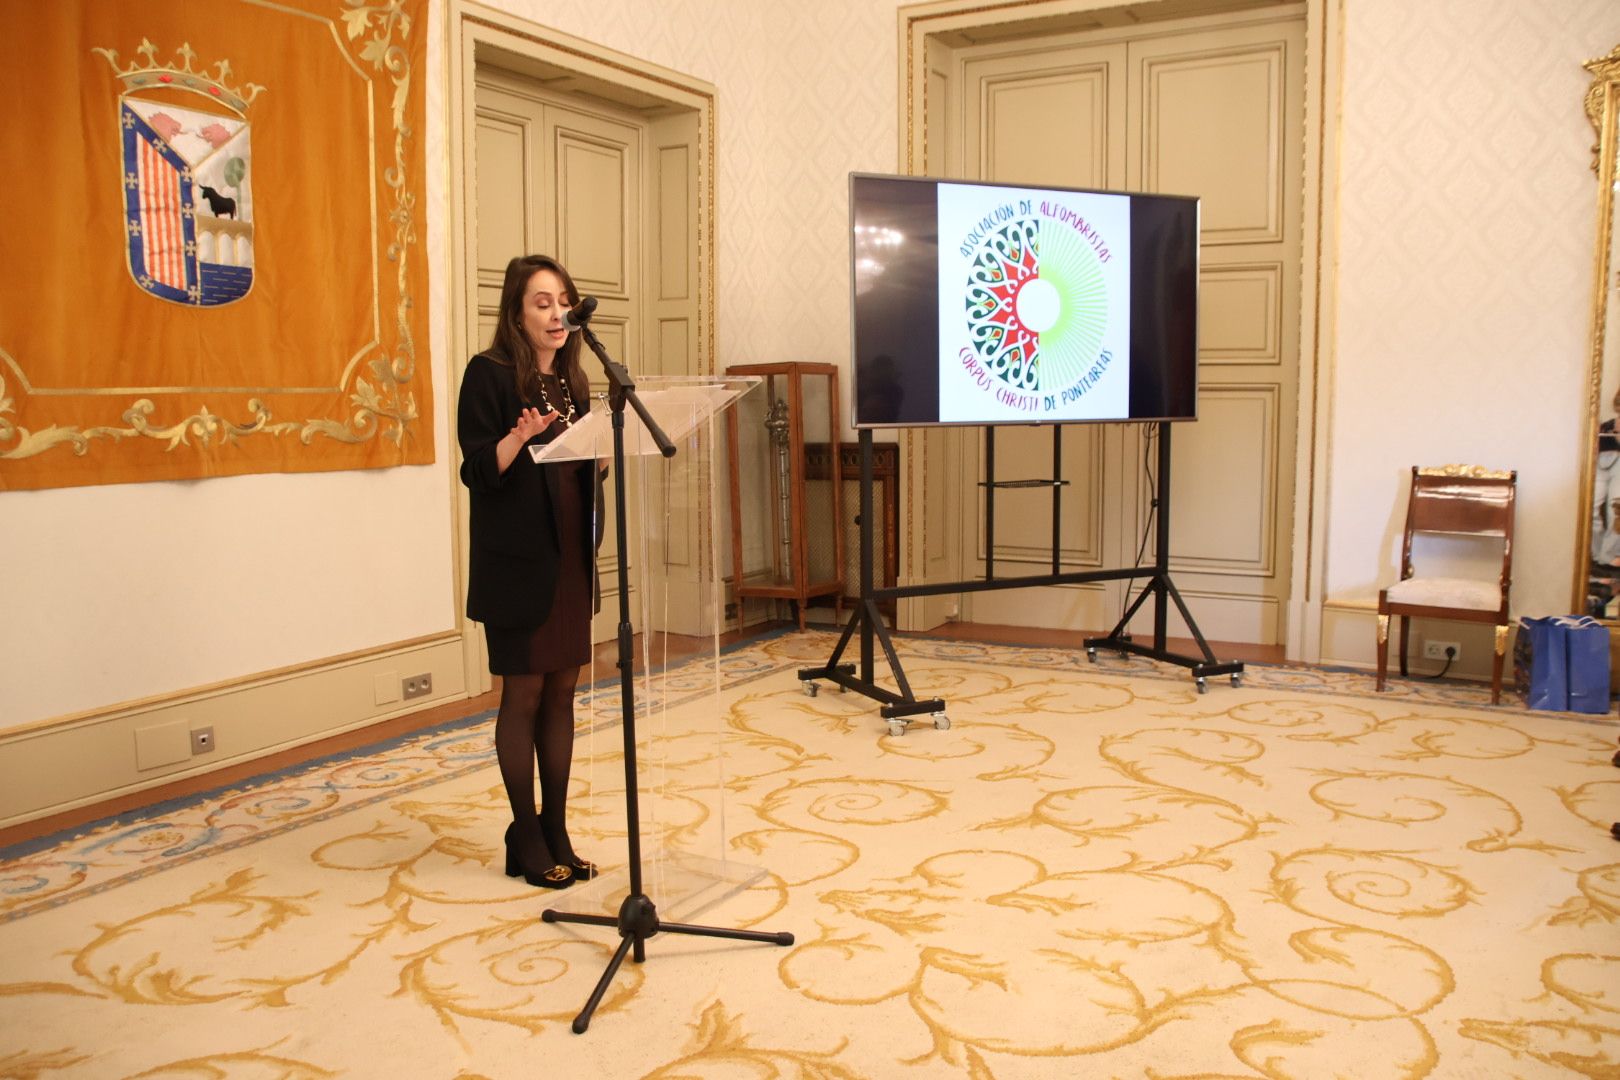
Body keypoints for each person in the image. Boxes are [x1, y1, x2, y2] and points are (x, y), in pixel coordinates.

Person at [458, 254, 600, 889]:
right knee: (525, 694)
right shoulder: (487, 375)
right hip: (519, 564)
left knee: (564, 691)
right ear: (516, 311)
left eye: (562, 300)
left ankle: (558, 825)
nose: (556, 312)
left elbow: (583, 466)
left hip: (569, 557)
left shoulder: (576, 382)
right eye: (542, 302)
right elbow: (478, 470)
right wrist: (517, 438)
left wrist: (599, 458)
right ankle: (525, 830)